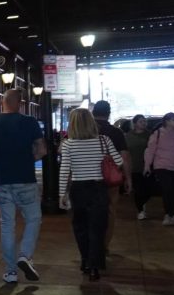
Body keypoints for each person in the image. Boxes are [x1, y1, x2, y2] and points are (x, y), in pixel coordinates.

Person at [0, 89, 46, 284]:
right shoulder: (30, 122)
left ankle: (10, 272)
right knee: (33, 218)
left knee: (7, 225)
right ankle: (25, 255)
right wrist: (26, 159)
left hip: (1, 181)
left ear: (3, 102)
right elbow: (42, 150)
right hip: (25, 178)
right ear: (20, 103)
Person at [59, 109, 125, 281]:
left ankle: (86, 261)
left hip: (78, 189)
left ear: (72, 124)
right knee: (97, 228)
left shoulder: (67, 144)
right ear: (91, 122)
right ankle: (95, 266)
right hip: (98, 188)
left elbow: (65, 170)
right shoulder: (104, 140)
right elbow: (119, 162)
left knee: (80, 227)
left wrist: (62, 194)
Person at [91, 100, 132, 253]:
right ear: (108, 113)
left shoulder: (84, 130)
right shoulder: (116, 132)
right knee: (109, 211)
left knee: (89, 210)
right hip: (110, 178)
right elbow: (125, 156)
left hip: (87, 177)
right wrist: (128, 178)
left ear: (93, 112)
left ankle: (92, 244)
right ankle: (104, 246)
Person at [143, 112, 174, 226]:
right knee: (167, 190)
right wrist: (147, 165)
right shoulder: (158, 134)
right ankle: (167, 214)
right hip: (162, 166)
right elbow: (150, 150)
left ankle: (173, 215)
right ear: (167, 121)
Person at [125, 115, 154, 220]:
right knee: (138, 190)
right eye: (141, 121)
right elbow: (125, 151)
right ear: (135, 123)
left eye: (145, 121)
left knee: (149, 190)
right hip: (134, 167)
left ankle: (142, 204)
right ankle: (140, 210)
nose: (144, 123)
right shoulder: (128, 135)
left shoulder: (150, 135)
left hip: (147, 166)